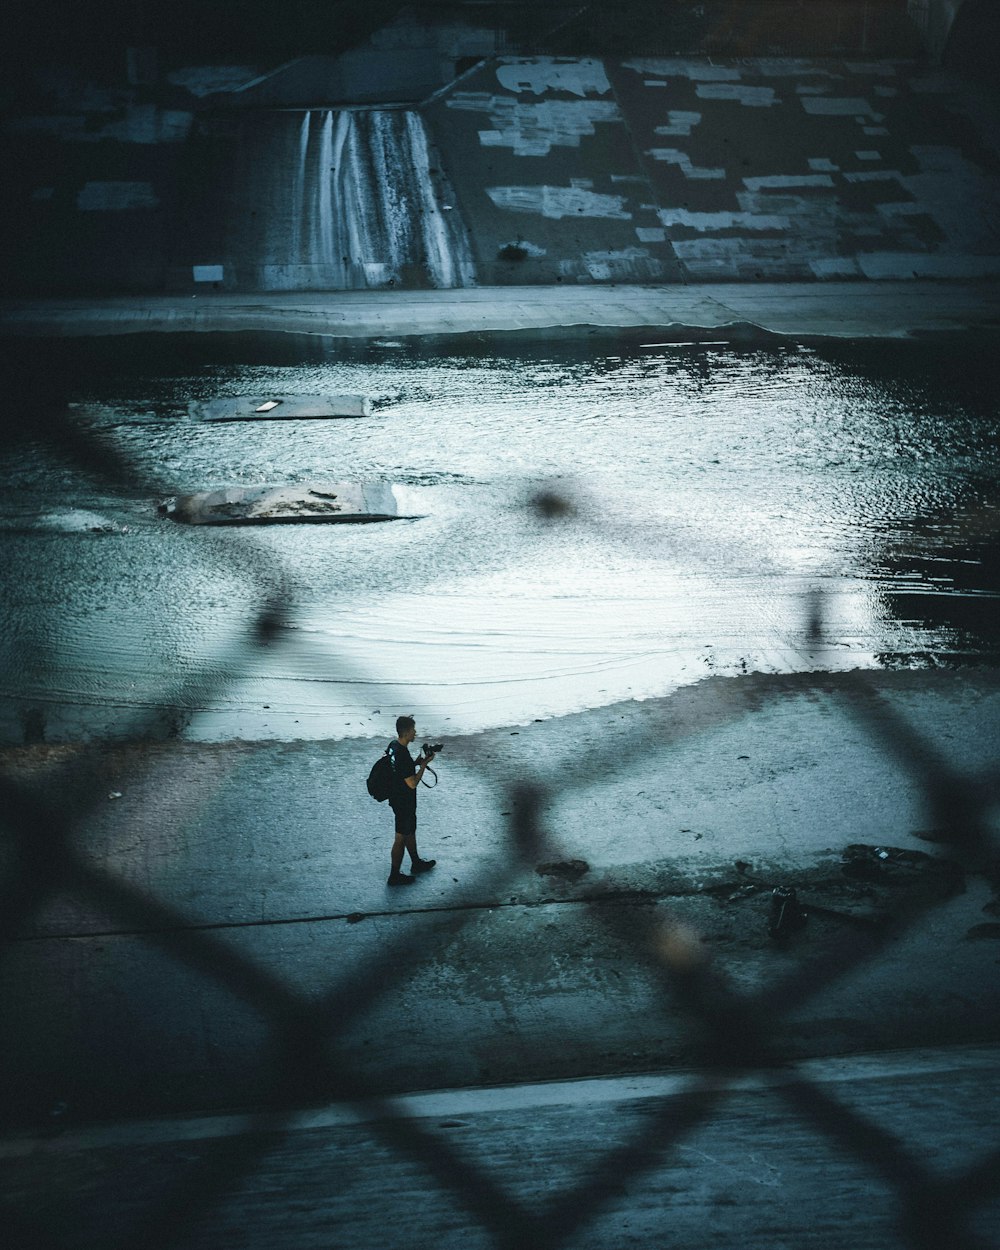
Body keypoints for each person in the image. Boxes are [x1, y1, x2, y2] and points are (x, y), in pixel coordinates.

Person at [386, 714, 437, 886]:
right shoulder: (402, 754)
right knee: (400, 837)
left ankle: (416, 863)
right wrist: (423, 766)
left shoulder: (393, 746)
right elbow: (412, 783)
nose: (415, 733)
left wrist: (415, 762)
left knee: (409, 831)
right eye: (413, 730)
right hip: (403, 802)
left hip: (396, 797)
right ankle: (394, 875)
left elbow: (400, 770)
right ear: (407, 732)